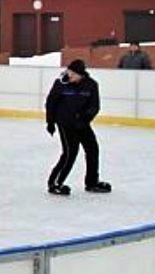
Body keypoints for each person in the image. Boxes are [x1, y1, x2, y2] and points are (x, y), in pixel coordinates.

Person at [45, 59, 109, 195]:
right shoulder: (61, 84)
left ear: (81, 74)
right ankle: (55, 183)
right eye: (68, 73)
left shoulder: (91, 85)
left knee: (92, 149)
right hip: (65, 123)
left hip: (82, 123)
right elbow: (51, 103)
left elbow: (94, 106)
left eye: (73, 74)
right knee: (70, 153)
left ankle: (92, 182)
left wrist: (85, 119)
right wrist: (50, 122)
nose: (69, 76)